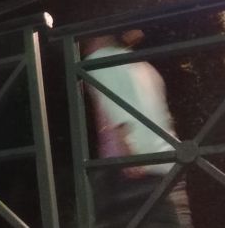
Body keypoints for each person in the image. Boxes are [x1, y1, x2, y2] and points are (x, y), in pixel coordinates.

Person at [80, 31, 192, 228]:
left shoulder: (100, 59)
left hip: (130, 166)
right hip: (165, 163)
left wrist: (126, 149)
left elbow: (114, 104)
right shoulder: (144, 67)